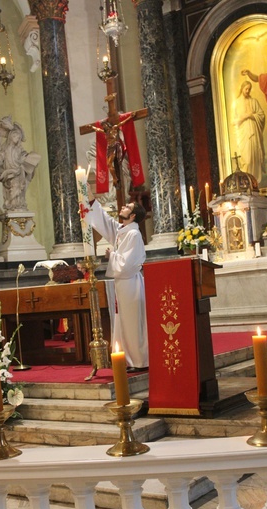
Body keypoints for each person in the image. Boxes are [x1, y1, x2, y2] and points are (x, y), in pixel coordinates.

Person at [85, 185, 148, 371]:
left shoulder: (134, 235)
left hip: (131, 285)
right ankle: (128, 359)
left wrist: (111, 255)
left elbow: (128, 265)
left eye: (127, 207)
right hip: (123, 285)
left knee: (132, 324)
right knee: (123, 323)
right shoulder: (123, 231)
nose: (123, 207)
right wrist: (90, 197)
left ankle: (139, 361)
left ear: (133, 215)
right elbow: (104, 221)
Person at [0, 116, 41, 211]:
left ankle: (18, 204)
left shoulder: (19, 149)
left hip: (18, 172)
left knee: (19, 189)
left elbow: (24, 156)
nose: (17, 139)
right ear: (11, 137)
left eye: (18, 137)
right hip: (10, 172)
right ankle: (11, 204)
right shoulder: (5, 148)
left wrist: (28, 159)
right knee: (13, 189)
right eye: (15, 136)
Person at [87, 112, 136, 188]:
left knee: (118, 165)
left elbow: (123, 122)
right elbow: (97, 129)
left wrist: (130, 117)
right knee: (110, 165)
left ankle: (117, 182)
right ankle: (115, 179)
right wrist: (91, 127)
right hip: (110, 149)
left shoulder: (116, 130)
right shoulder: (104, 135)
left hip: (116, 148)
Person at [232, 80, 266, 183]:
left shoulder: (254, 101)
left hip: (254, 131)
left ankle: (255, 182)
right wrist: (245, 116)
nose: (247, 91)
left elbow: (261, 115)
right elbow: (233, 121)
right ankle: (247, 182)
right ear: (242, 88)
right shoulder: (236, 103)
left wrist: (252, 116)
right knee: (247, 158)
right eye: (246, 89)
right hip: (244, 133)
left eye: (249, 89)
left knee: (254, 155)